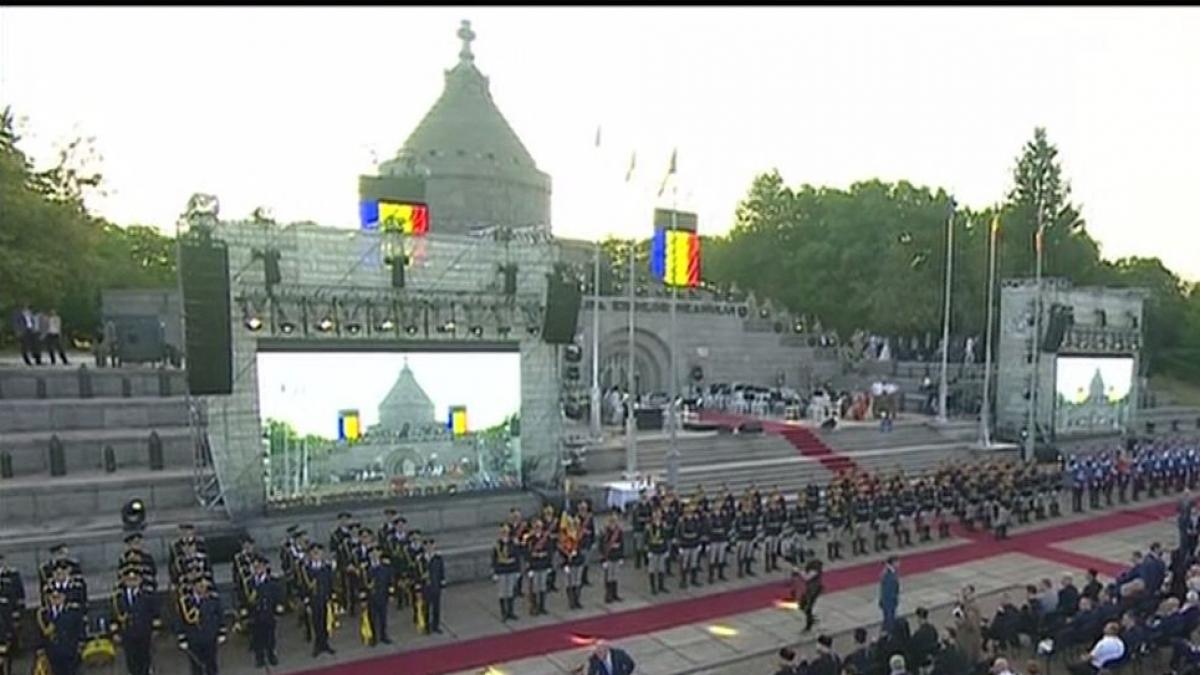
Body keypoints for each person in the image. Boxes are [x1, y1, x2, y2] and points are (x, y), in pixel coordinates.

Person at [175, 575, 225, 675]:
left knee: (211, 664)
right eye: (200, 586)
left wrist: (221, 632)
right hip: (194, 638)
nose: (203, 588)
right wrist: (182, 637)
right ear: (194, 587)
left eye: (204, 586)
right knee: (196, 666)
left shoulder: (213, 599)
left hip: (210, 637)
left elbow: (220, 615)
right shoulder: (186, 602)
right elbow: (180, 620)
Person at [111, 567, 158, 675]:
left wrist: (155, 630)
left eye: (134, 579)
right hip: (127, 634)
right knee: (131, 660)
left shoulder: (147, 595)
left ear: (140, 580)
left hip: (144, 633)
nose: (132, 582)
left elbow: (155, 613)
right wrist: (115, 633)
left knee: (144, 659)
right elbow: (114, 615)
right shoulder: (118, 597)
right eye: (129, 580)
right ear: (124, 581)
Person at [35, 587, 85, 675]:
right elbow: (40, 634)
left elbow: (79, 629)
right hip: (52, 653)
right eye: (53, 597)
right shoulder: (43, 614)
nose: (56, 600)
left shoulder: (72, 612)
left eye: (58, 597)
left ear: (64, 597)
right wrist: (40, 649)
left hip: (70, 652)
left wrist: (79, 646)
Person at [299, 543, 336, 657]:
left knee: (325, 622)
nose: (316, 555)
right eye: (313, 553)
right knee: (315, 623)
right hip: (313, 600)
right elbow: (303, 585)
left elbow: (330, 582)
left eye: (318, 552)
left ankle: (325, 644)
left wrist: (331, 596)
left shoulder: (326, 567)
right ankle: (318, 645)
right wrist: (306, 600)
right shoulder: (306, 569)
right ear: (309, 555)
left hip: (324, 599)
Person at [246, 556, 281, 667]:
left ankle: (271, 654)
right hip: (256, 614)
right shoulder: (249, 582)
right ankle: (259, 657)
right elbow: (244, 598)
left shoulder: (272, 581)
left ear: (265, 567)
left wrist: (277, 608)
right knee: (257, 636)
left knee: (270, 636)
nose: (257, 569)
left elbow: (277, 596)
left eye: (260, 567)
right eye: (255, 567)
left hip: (268, 613)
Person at [362, 545, 393, 646]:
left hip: (383, 595)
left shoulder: (386, 567)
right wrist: (363, 599)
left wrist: (391, 594)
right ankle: (374, 637)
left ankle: (383, 635)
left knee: (383, 617)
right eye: (372, 553)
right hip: (371, 597)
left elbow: (390, 581)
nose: (374, 555)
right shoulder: (365, 569)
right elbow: (361, 585)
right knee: (372, 618)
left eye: (376, 553)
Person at [492, 523, 520, 621]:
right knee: (502, 592)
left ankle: (510, 612)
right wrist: (495, 572)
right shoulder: (497, 544)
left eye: (506, 531)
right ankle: (503, 613)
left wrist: (517, 570)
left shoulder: (513, 543)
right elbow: (494, 559)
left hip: (511, 569)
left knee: (510, 591)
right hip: (501, 570)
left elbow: (517, 557)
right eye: (503, 531)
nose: (505, 533)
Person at [421, 539, 445, 634]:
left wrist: (442, 583)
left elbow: (441, 571)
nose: (429, 547)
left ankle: (436, 625)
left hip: (435, 585)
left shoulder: (438, 558)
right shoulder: (421, 559)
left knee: (436, 607)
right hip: (426, 587)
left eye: (431, 545)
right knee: (426, 607)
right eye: (427, 545)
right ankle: (426, 626)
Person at [879, 556, 900, 633]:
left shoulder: (891, 572)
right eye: (897, 562)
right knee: (889, 619)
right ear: (893, 562)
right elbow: (887, 589)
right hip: (889, 600)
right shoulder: (888, 573)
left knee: (888, 618)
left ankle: (886, 632)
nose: (899, 564)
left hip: (889, 599)